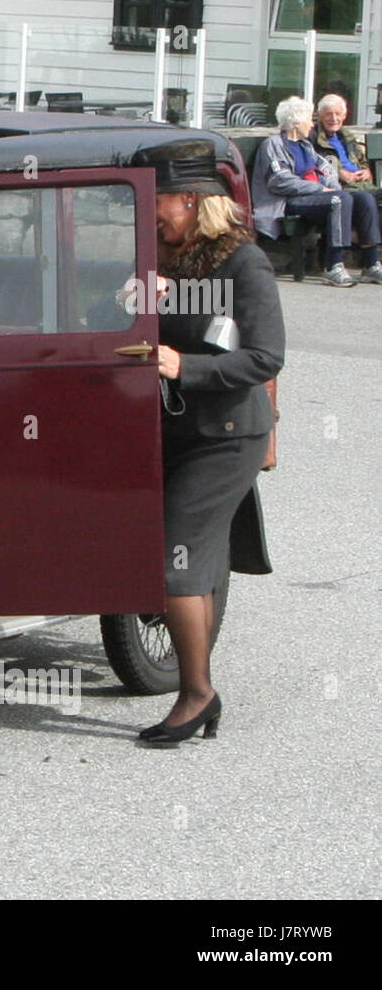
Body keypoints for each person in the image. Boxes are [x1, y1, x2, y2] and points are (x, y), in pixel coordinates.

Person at [135, 142, 284, 744]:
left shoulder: (244, 263)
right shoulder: (162, 256)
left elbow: (266, 356)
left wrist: (183, 366)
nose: (152, 214)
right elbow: (134, 322)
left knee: (174, 560)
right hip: (166, 428)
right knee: (178, 553)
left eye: (159, 202)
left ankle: (197, 695)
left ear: (192, 201)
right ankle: (193, 684)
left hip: (226, 436)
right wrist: (128, 304)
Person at [251, 96, 382, 287]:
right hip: (286, 201)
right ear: (295, 123)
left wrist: (328, 184)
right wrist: (320, 188)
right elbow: (279, 181)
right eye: (308, 120)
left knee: (364, 198)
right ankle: (333, 265)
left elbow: (326, 168)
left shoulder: (304, 145)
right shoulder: (274, 144)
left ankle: (371, 263)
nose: (312, 124)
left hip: (311, 197)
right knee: (339, 199)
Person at [313, 93, 382, 202]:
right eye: (329, 114)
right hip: (342, 188)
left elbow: (362, 160)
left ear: (344, 116)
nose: (334, 118)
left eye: (338, 114)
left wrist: (366, 171)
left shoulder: (347, 137)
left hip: (362, 185)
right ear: (320, 115)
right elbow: (315, 164)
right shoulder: (314, 139)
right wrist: (338, 173)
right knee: (366, 198)